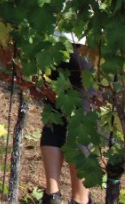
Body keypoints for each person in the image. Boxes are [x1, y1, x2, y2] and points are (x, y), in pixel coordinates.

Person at [40, 43, 93, 204]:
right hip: (84, 48)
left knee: (55, 115)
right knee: (82, 122)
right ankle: (80, 200)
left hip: (52, 46)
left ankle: (52, 195)